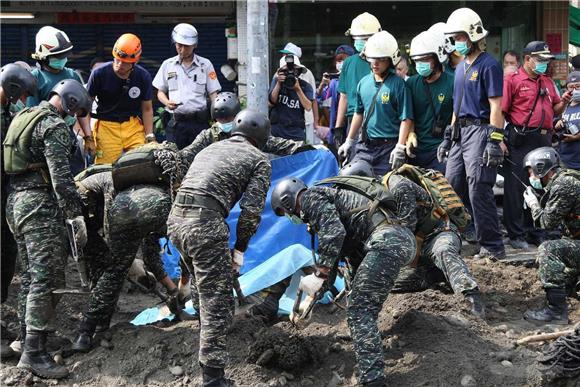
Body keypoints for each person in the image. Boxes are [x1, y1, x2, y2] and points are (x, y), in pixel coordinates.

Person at [270, 176, 416, 387]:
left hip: (387, 241)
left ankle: (373, 380)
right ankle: (366, 348)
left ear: (288, 201)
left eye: (285, 213)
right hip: (392, 241)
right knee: (358, 300)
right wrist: (310, 302)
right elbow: (334, 256)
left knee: (359, 309)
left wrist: (318, 274)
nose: (289, 217)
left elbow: (334, 234)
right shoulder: (322, 207)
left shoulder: (310, 198)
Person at [167, 110, 271, 387]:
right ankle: (213, 378)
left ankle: (206, 342)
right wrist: (240, 249)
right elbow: (251, 212)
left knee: (202, 288)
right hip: (204, 224)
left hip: (176, 220)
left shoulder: (210, 148)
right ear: (260, 138)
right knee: (218, 301)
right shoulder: (259, 159)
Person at [4, 79, 91, 379]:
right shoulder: (53, 127)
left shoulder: (24, 116)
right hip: (40, 207)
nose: (74, 116)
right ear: (69, 103)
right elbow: (61, 180)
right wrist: (75, 215)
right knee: (47, 276)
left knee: (30, 274)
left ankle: (26, 335)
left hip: (15, 202)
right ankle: (33, 353)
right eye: (76, 110)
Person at [336, 160, 485, 317]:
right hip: (409, 245)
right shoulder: (366, 203)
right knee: (378, 277)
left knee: (443, 251)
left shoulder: (398, 187)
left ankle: (470, 296)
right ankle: (432, 275)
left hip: (435, 233)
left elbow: (405, 237)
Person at [71, 164, 185, 353]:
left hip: (100, 218)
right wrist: (123, 261)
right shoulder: (164, 201)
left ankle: (99, 328)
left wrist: (170, 290)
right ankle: (86, 331)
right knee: (114, 270)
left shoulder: (147, 192)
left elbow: (150, 255)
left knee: (109, 271)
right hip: (86, 217)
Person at [438, 8, 506, 259]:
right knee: (451, 185)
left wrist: (495, 140)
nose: (457, 42)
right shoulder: (458, 68)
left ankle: (492, 245)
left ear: (473, 35)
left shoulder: (489, 65)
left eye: (460, 37)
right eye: (454, 38)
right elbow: (456, 105)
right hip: (460, 131)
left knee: (479, 186)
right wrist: (449, 135)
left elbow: (496, 106)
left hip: (480, 129)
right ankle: (459, 237)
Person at [501, 41, 571, 249]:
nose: (543, 64)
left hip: (543, 138)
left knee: (540, 186)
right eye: (540, 60)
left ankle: (535, 230)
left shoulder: (547, 82)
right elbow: (501, 111)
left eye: (546, 60)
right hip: (520, 138)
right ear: (528, 59)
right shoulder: (512, 81)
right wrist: (500, 140)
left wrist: (565, 101)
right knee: (516, 188)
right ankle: (516, 234)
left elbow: (556, 109)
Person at [0, 63, 37, 360]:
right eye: (23, 94)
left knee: (6, 254)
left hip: (5, 195)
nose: (24, 100)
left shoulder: (7, 113)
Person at [338, 30, 412, 177]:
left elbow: (406, 118)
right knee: (350, 181)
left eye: (381, 59)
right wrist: (349, 141)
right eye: (372, 59)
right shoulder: (363, 83)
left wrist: (400, 146)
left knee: (386, 191)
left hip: (389, 148)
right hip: (365, 146)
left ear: (390, 60)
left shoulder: (398, 85)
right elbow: (358, 114)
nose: (375, 63)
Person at [521, 147, 579, 325]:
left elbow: (546, 223)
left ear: (541, 167)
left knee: (549, 250)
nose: (531, 177)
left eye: (531, 171)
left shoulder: (564, 185)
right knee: (565, 269)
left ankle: (555, 311)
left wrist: (533, 205)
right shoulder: (568, 179)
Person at [27, 26, 93, 174]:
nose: (62, 59)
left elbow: (81, 111)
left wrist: (88, 136)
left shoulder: (72, 75)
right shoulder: (35, 77)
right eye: (58, 55)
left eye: (64, 55)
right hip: (44, 137)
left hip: (68, 133)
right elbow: (32, 114)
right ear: (44, 56)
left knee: (75, 174)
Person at [87, 33, 155, 164]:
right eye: (117, 60)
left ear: (135, 61)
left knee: (142, 164)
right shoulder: (99, 74)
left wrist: (149, 134)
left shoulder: (142, 76)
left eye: (125, 62)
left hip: (133, 125)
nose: (120, 65)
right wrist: (87, 136)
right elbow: (85, 107)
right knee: (105, 169)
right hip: (106, 126)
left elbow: (147, 109)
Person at [153, 23, 221, 150]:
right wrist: (167, 102)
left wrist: (218, 118)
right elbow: (160, 92)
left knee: (200, 159)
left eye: (187, 46)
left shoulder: (205, 65)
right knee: (175, 161)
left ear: (194, 45)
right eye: (179, 45)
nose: (182, 49)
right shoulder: (168, 65)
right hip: (176, 124)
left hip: (199, 124)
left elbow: (213, 94)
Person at [406, 30, 454, 172]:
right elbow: (407, 115)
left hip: (441, 150)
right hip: (415, 150)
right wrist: (410, 133)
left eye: (425, 59)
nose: (420, 64)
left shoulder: (453, 82)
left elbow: (457, 116)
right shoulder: (411, 84)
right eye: (417, 60)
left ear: (437, 58)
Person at [334, 12, 381, 152]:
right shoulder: (349, 63)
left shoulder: (381, 63)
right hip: (352, 120)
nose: (359, 42)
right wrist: (338, 127)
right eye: (356, 38)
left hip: (377, 119)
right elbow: (343, 96)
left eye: (364, 38)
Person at [279, 42, 319, 144]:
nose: (284, 56)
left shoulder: (306, 74)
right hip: (285, 122)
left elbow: (313, 99)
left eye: (287, 54)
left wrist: (316, 120)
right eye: (284, 54)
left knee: (306, 145)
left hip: (306, 119)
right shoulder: (280, 74)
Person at [268, 54, 314, 141]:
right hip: (277, 132)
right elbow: (271, 102)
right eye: (286, 71)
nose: (290, 73)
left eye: (294, 70)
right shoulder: (277, 82)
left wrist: (298, 89)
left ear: (299, 71)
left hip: (296, 133)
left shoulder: (305, 86)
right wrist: (278, 83)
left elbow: (308, 106)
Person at [319, 45, 355, 148]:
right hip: (337, 130)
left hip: (353, 127)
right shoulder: (334, 82)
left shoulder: (357, 79)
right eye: (338, 60)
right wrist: (322, 85)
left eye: (344, 60)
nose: (341, 63)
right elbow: (321, 98)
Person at [555, 71, 580, 170]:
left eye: (578, 86)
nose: (574, 90)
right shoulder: (564, 106)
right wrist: (557, 124)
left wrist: (577, 137)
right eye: (571, 87)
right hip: (565, 160)